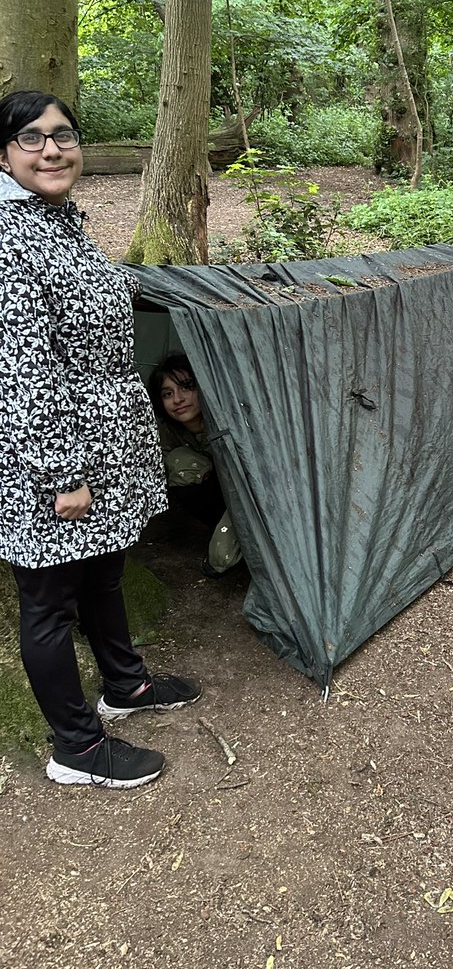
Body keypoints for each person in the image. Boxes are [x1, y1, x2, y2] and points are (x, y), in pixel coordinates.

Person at [0, 89, 201, 789]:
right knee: (50, 599)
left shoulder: (59, 220)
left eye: (62, 134)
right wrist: (62, 474)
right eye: (30, 137)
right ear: (4, 154)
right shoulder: (8, 236)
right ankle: (77, 750)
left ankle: (125, 687)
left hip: (105, 439)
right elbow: (23, 370)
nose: (51, 148)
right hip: (47, 453)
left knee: (105, 569)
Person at [148, 354, 243, 577]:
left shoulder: (227, 423)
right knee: (178, 462)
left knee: (220, 559)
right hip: (216, 498)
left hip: (245, 499)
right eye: (168, 394)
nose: (178, 399)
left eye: (186, 388)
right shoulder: (166, 432)